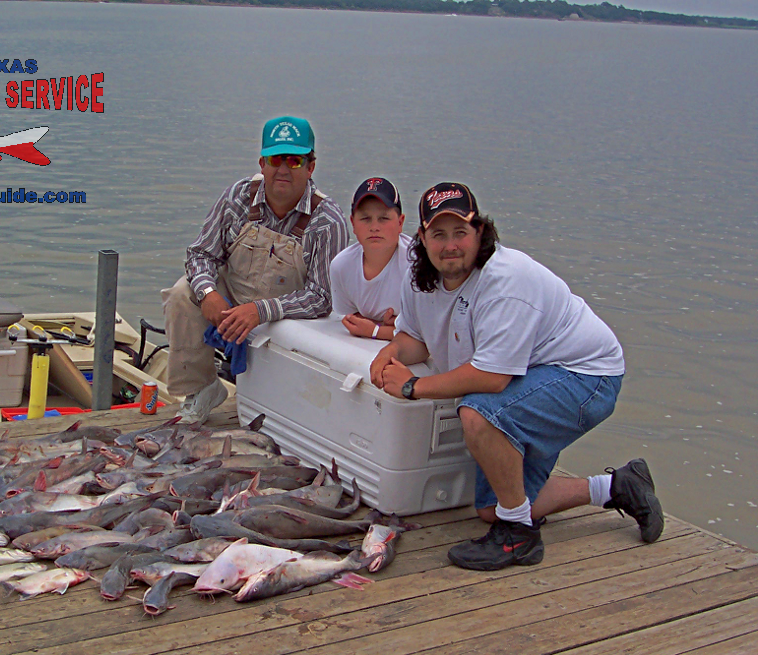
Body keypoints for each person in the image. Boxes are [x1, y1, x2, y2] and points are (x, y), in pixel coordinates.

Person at [369, 182, 663, 571]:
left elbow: (492, 380)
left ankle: (519, 539)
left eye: (461, 232)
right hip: (530, 374)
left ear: (480, 232)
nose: (450, 245)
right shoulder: (420, 277)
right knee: (494, 508)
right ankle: (617, 486)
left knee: (478, 413)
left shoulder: (505, 280)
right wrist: (389, 352)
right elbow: (418, 340)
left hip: (587, 376)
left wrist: (412, 387)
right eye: (438, 234)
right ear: (421, 238)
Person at [162, 116, 348, 424]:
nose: (284, 169)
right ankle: (202, 388)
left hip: (286, 317)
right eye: (276, 159)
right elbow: (200, 253)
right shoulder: (237, 196)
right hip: (233, 299)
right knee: (183, 293)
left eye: (295, 160)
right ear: (262, 163)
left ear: (311, 166)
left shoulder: (328, 221)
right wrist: (208, 294)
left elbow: (322, 297)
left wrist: (260, 311)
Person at [330, 177, 412, 341]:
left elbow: (426, 333)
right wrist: (393, 325)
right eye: (365, 218)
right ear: (353, 223)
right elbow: (353, 320)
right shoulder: (341, 266)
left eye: (384, 218)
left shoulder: (416, 264)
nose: (374, 227)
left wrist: (376, 330)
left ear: (400, 222)